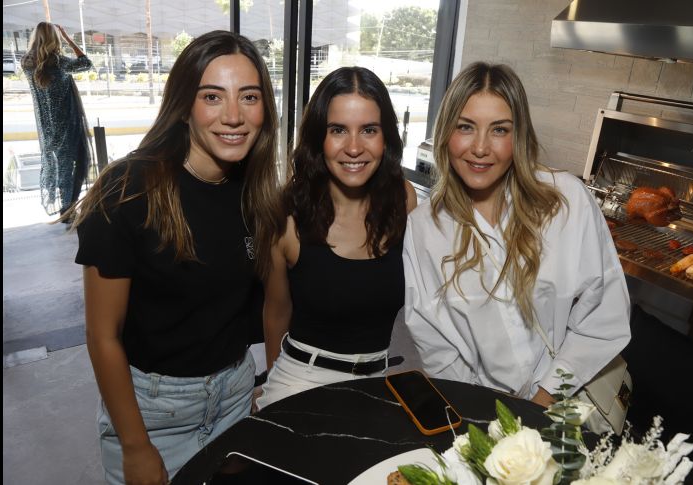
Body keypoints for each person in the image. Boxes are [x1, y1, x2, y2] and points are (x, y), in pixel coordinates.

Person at [69, 31, 282, 484]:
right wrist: (135, 445)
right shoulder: (127, 190)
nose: (233, 116)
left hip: (236, 395)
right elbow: (102, 335)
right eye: (212, 96)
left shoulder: (257, 190)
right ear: (184, 105)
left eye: (249, 97)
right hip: (153, 412)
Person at [402, 62, 631, 408]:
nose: (480, 148)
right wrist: (482, 414)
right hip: (489, 412)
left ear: (518, 136)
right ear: (447, 132)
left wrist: (543, 399)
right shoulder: (424, 228)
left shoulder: (565, 201)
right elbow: (436, 344)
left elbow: (603, 315)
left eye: (499, 130)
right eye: (466, 127)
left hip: (569, 405)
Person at [257, 66, 417, 409]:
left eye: (369, 130)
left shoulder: (403, 200)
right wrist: (274, 386)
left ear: (385, 136)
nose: (354, 147)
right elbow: (275, 313)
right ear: (319, 138)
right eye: (338, 130)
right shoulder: (286, 217)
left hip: (378, 380)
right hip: (302, 378)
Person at [21, 22, 94, 218]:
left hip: (46, 125)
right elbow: (87, 63)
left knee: (60, 165)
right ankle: (67, 209)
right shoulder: (59, 62)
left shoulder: (26, 62)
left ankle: (65, 207)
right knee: (74, 164)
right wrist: (69, 40)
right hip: (67, 123)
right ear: (55, 38)